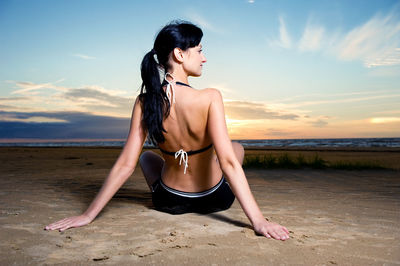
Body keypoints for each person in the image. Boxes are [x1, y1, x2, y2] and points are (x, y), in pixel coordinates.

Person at [45, 20, 290, 241]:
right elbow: (228, 162)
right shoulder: (210, 97)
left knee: (145, 157)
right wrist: (258, 220)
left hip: (169, 200)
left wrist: (88, 215)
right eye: (200, 50)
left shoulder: (145, 102)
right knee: (236, 149)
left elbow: (124, 166)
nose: (204, 58)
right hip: (216, 199)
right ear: (179, 54)